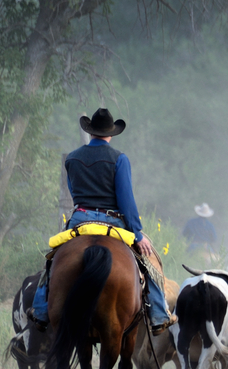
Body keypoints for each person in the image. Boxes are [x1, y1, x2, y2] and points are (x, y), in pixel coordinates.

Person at [28, 108, 174, 333]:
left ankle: (40, 310)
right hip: (113, 222)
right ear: (111, 133)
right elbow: (126, 200)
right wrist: (137, 233)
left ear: (91, 131)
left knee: (53, 259)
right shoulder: (119, 159)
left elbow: (74, 192)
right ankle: (158, 314)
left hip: (80, 219)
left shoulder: (73, 158)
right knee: (147, 260)